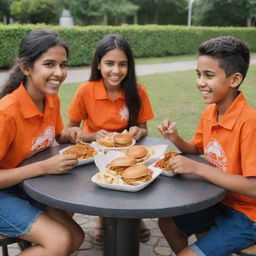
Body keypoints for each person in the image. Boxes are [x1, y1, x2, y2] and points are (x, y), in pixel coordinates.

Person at [158, 36, 256, 256]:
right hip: (216, 200)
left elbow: (254, 188)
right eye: (198, 74)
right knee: (166, 220)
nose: (200, 82)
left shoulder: (250, 122)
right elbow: (196, 148)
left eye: (208, 75)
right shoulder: (211, 112)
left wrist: (198, 169)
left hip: (247, 215)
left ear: (234, 79)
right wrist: (176, 138)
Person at [0, 30, 85, 256]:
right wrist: (44, 167)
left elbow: (56, 134)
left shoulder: (50, 99)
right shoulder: (6, 113)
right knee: (59, 241)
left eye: (63, 65)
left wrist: (70, 134)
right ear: (26, 68)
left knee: (76, 237)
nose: (59, 73)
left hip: (27, 187)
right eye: (49, 64)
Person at [67, 34, 154, 244]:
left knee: (133, 175)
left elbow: (144, 129)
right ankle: (102, 217)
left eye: (122, 64)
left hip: (128, 152)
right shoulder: (86, 90)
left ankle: (134, 217)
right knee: (104, 177)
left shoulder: (137, 90)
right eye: (109, 63)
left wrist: (137, 132)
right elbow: (69, 130)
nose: (116, 70)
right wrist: (91, 136)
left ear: (129, 66)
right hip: (96, 152)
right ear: (98, 64)